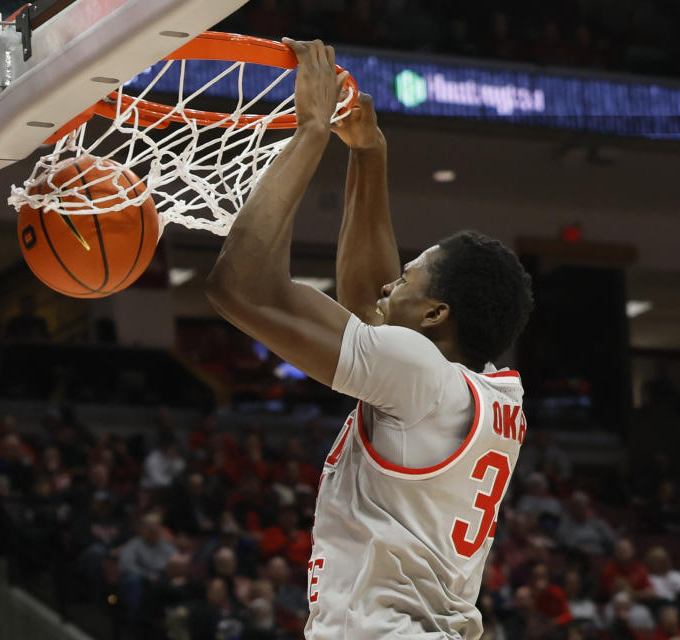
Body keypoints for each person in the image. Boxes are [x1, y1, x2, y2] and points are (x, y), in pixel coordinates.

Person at [204, 38, 533, 639]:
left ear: (436, 314)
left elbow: (241, 289)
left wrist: (309, 132)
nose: (390, 286)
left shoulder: (421, 376)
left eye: (407, 277)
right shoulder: (489, 393)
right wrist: (367, 154)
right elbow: (369, 307)